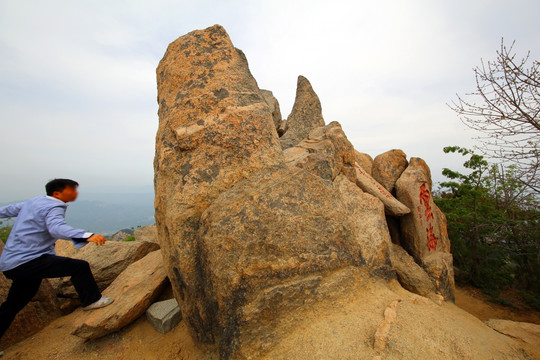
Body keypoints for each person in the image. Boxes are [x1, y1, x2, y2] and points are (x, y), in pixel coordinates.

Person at [0, 178, 115, 350]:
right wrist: (86, 235)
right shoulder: (54, 206)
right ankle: (92, 301)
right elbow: (56, 228)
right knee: (79, 267)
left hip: (12, 263)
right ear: (57, 193)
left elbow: (8, 210)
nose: (76, 192)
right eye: (72, 189)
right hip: (29, 259)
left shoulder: (34, 201)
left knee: (13, 304)